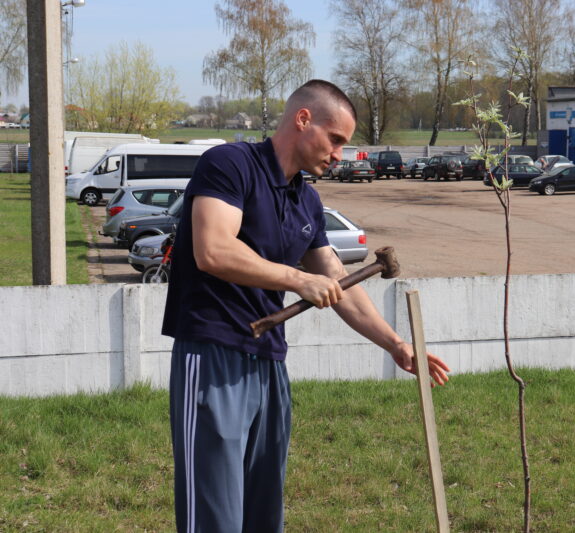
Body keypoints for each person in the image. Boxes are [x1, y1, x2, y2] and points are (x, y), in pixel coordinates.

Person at [162, 79, 450, 533]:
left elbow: (338, 281)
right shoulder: (230, 165)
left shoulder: (306, 200)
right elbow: (212, 250)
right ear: (302, 120)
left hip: (269, 364)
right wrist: (298, 279)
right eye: (335, 140)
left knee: (263, 513)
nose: (339, 154)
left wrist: (395, 344)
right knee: (214, 515)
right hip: (213, 353)